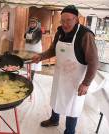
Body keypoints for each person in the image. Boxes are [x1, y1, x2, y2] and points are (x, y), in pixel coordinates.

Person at [32, 5, 98, 134]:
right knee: (57, 96)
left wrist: (86, 83)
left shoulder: (85, 35)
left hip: (76, 78)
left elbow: (94, 62)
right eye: (62, 21)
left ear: (76, 19)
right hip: (60, 73)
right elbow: (52, 50)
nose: (65, 24)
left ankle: (70, 130)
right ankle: (54, 119)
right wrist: (41, 56)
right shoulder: (60, 32)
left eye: (69, 20)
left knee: (73, 104)